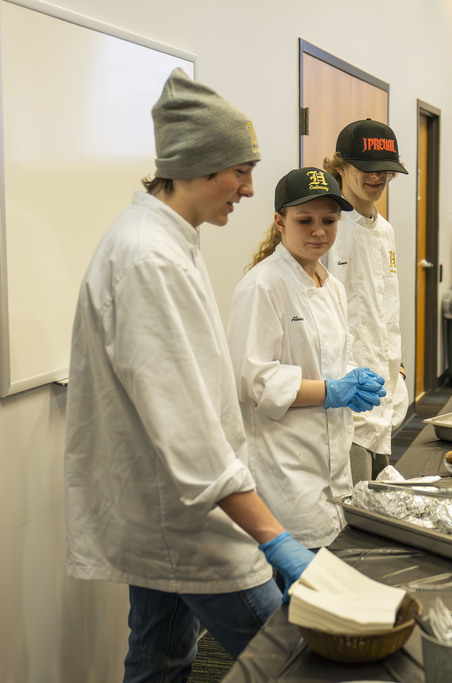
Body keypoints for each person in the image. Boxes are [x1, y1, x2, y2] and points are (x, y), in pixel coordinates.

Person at [63, 68, 315, 681]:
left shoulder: (166, 240)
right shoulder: (149, 257)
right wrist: (274, 538)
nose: (250, 190)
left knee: (160, 659)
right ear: (199, 167)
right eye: (240, 171)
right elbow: (187, 428)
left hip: (172, 511)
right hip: (190, 517)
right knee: (294, 659)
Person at [226, 167, 386, 551]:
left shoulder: (329, 286)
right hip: (284, 467)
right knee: (294, 582)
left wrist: (354, 379)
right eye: (305, 220)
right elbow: (253, 380)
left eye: (329, 220)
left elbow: (332, 359)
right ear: (280, 222)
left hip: (330, 462)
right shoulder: (263, 285)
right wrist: (332, 391)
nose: (319, 231)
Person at [322, 119, 411, 482]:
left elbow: (386, 309)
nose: (377, 178)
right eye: (367, 169)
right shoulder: (328, 229)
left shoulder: (385, 229)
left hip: (384, 386)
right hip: (345, 391)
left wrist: (397, 367)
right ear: (340, 166)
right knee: (350, 501)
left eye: (386, 171)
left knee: (377, 492)